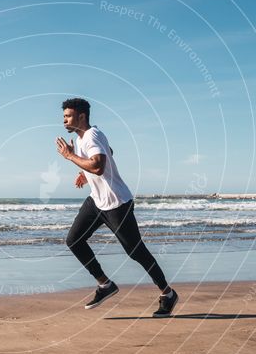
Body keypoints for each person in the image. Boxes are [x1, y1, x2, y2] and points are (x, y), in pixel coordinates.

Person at [55, 98, 179, 317]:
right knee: (74, 240)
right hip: (96, 201)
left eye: (68, 116)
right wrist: (84, 173)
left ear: (82, 116)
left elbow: (99, 166)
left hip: (116, 204)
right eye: (64, 116)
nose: (64, 120)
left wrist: (71, 156)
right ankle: (105, 285)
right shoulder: (86, 136)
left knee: (136, 252)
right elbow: (108, 151)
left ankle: (167, 294)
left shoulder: (92, 135)